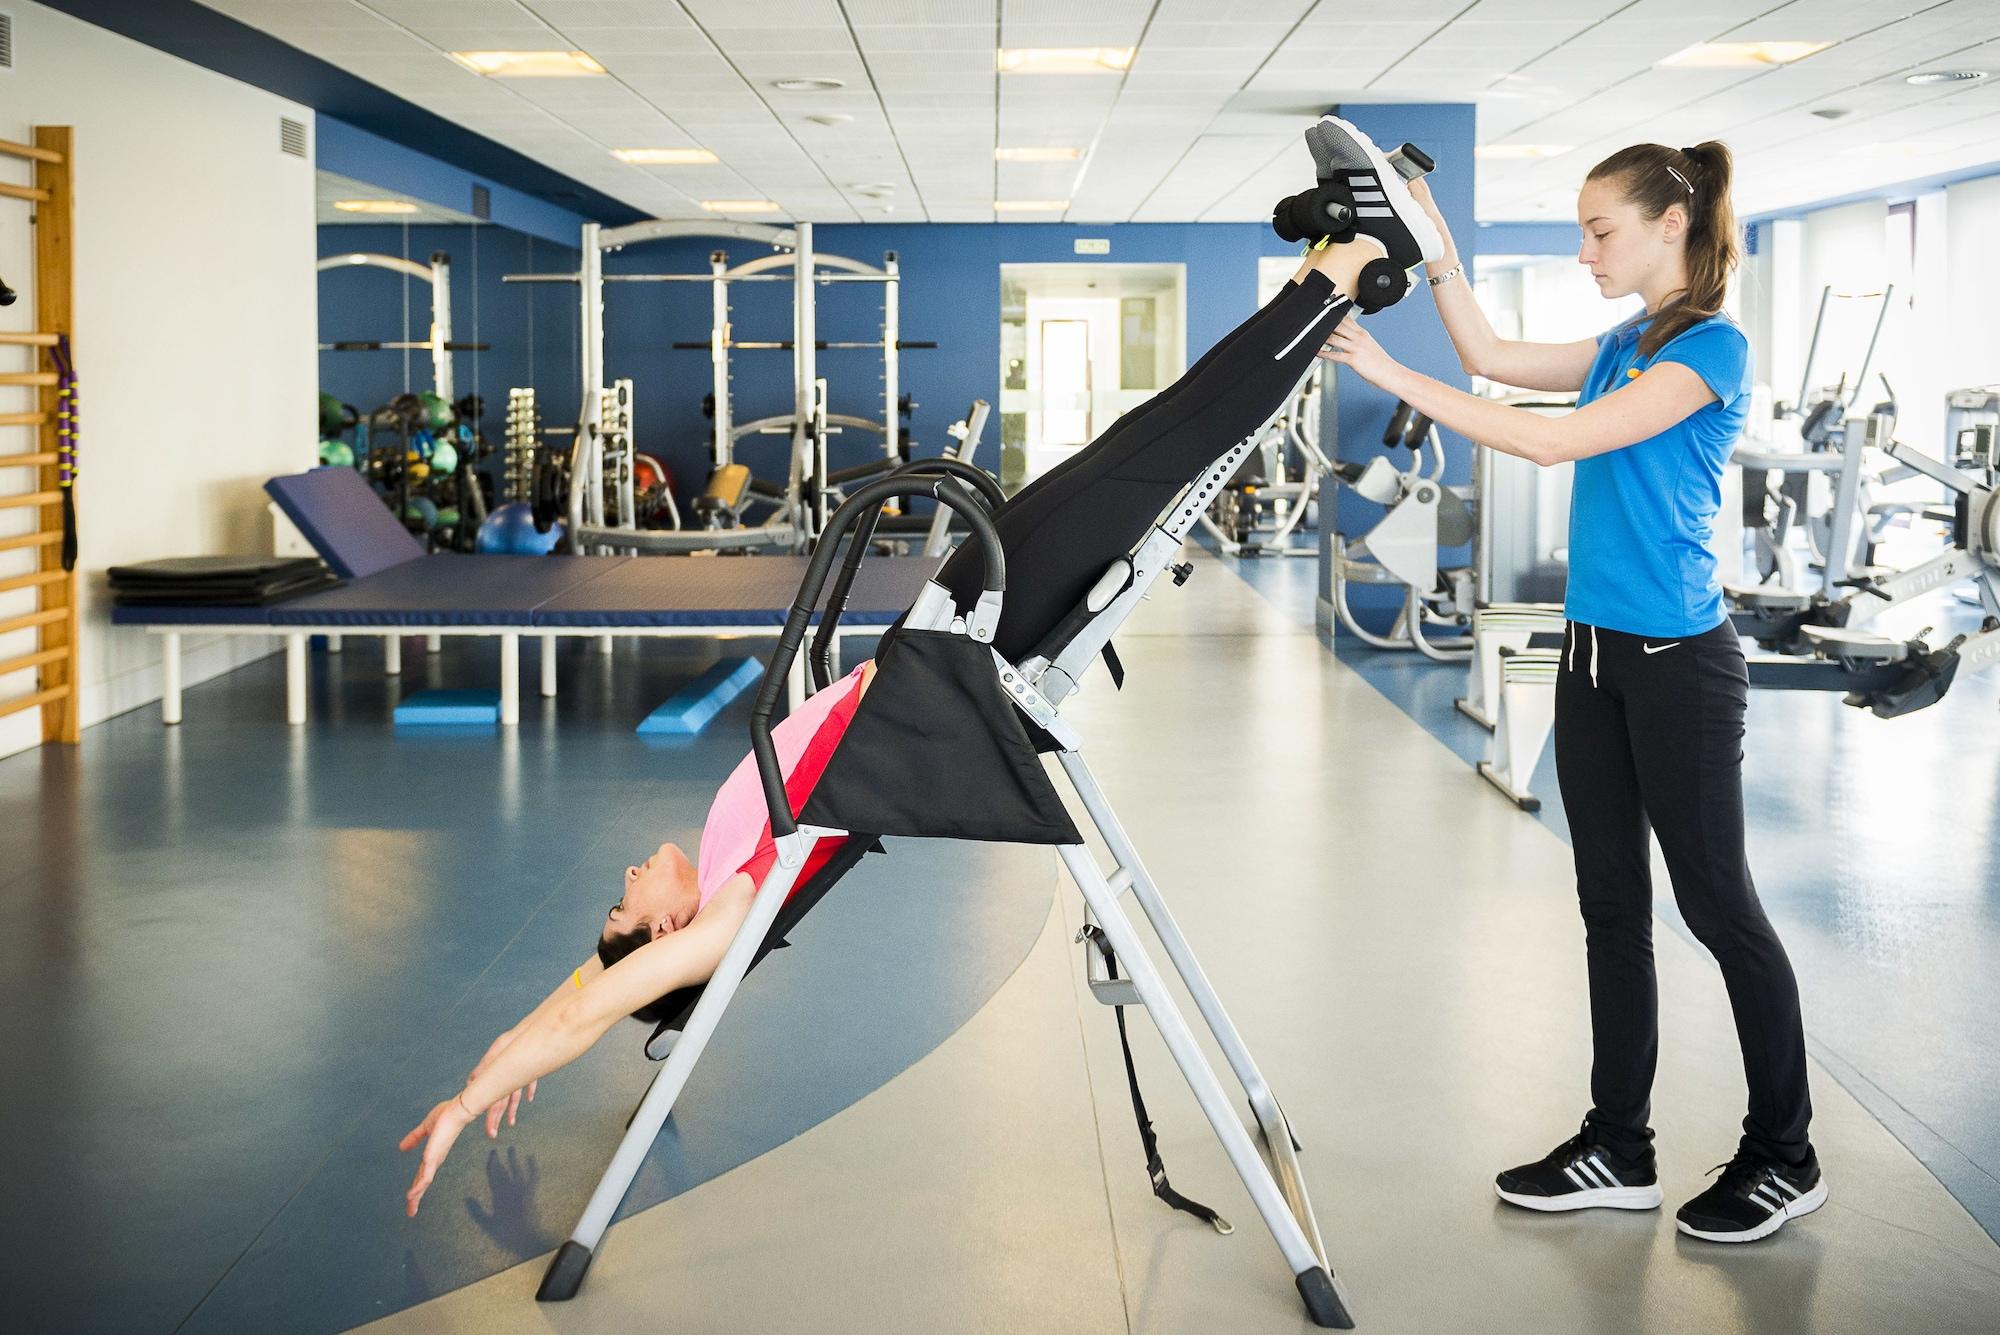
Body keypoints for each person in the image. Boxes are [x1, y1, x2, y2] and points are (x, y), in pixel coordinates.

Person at [402, 113, 1446, 1218]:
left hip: (952, 624)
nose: (624, 877)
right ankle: (1356, 257)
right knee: (1177, 443)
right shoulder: (727, 910)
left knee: (1159, 429)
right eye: (625, 902)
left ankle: (1346, 262)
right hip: (971, 650)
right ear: (661, 936)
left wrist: (494, 1064)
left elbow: (583, 987)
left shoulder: (706, 879)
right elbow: (599, 1000)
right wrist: (479, 1096)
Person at [1318, 135, 1823, 1243]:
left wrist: (1390, 374)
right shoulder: (1623, 341)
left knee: (1716, 908)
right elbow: (1494, 357)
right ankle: (1618, 1144)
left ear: (1668, 226)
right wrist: (1437, 254)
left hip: (1678, 668)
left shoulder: (1709, 352)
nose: (1584, 249)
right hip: (1590, 656)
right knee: (1608, 909)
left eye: (1600, 230)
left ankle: (1784, 1151)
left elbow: (1559, 447)